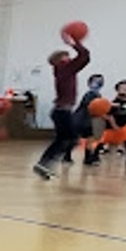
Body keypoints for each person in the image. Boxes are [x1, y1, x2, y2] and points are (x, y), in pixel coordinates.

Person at [33, 36, 91, 179]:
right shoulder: (64, 69)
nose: (70, 59)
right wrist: (74, 43)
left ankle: (44, 164)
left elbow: (83, 59)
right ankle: (45, 164)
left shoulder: (64, 70)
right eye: (66, 56)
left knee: (63, 139)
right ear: (60, 60)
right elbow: (85, 56)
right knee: (70, 139)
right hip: (62, 112)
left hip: (61, 111)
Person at [97, 80, 126, 165]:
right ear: (118, 90)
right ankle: (93, 155)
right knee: (104, 141)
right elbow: (109, 116)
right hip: (112, 126)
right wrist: (114, 125)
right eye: (123, 88)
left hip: (123, 125)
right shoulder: (115, 102)